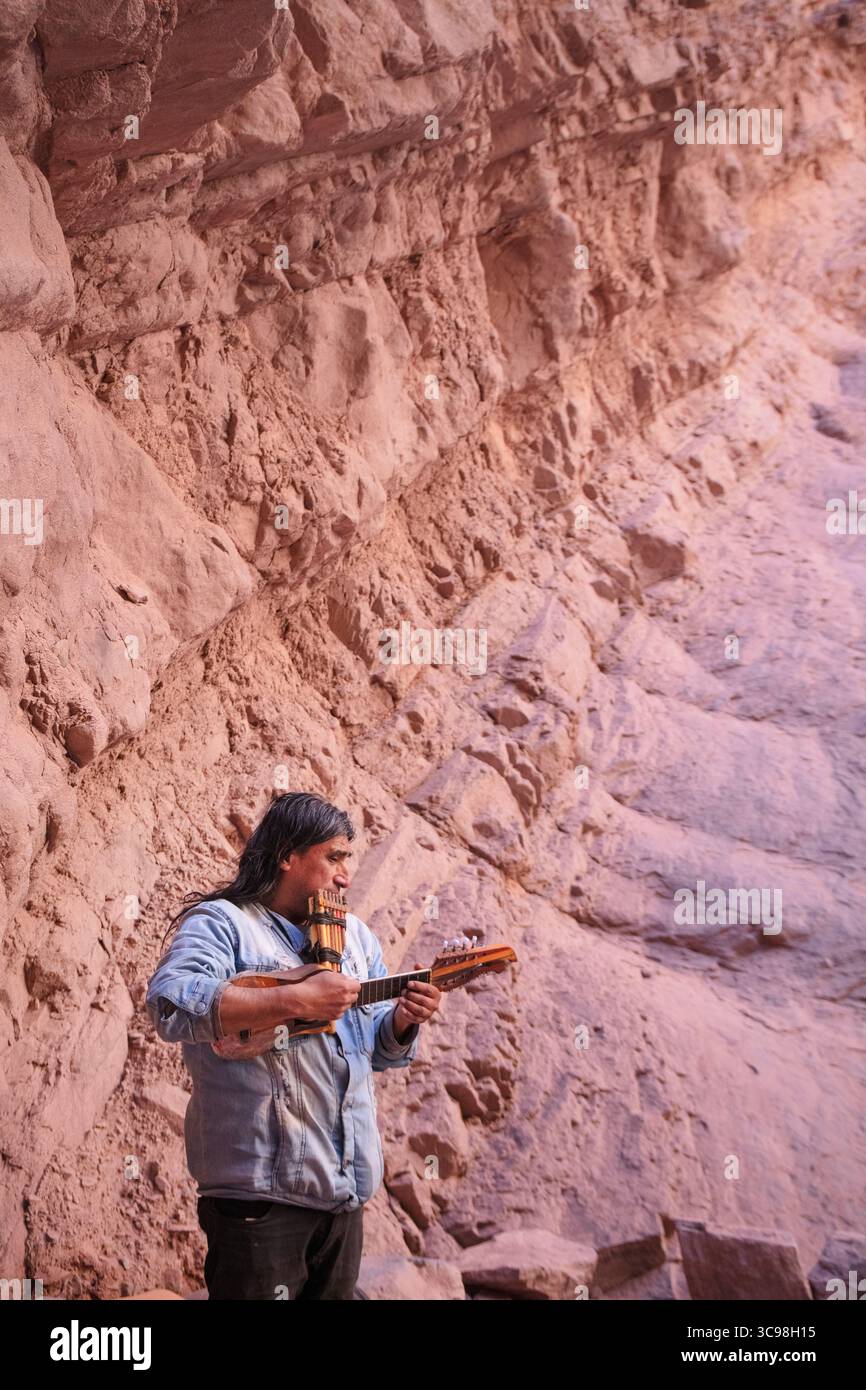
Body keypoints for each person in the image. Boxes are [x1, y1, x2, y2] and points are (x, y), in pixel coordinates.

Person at [145, 791, 441, 1299]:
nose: (346, 876)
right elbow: (171, 1006)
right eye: (334, 857)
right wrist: (297, 997)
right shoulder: (224, 923)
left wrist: (402, 1021)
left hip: (344, 1199)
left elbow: (376, 1051)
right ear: (287, 855)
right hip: (260, 1205)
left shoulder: (358, 941)